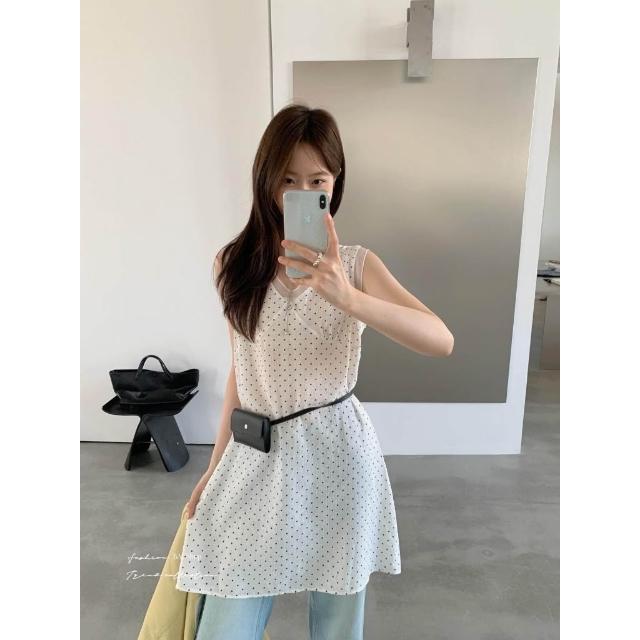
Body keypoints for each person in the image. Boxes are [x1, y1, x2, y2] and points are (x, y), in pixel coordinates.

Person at [175, 103, 455, 640]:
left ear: (335, 183)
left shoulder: (356, 265)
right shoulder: (233, 264)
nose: (301, 192)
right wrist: (215, 468)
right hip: (256, 457)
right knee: (226, 622)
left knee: (336, 627)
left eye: (316, 180)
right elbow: (242, 371)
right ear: (265, 180)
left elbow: (440, 339)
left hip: (339, 458)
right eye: (287, 179)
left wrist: (348, 297)